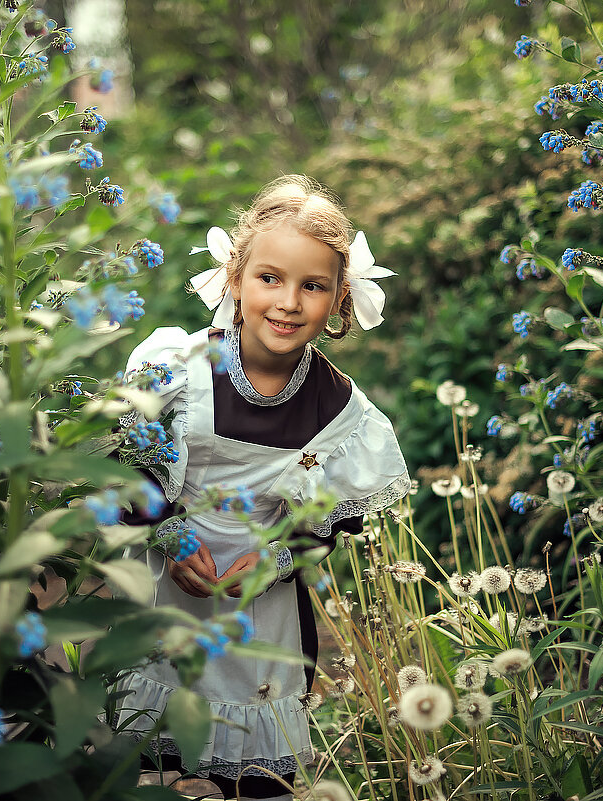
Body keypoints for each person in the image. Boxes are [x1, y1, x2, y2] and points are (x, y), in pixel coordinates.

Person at [114, 175, 410, 801]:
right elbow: (132, 460)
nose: (288, 302)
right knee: (146, 761)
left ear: (339, 300)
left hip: (258, 601)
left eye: (313, 286)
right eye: (269, 278)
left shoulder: (339, 409)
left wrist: (275, 556)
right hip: (172, 576)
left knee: (259, 772)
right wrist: (167, 530)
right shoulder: (183, 365)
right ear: (235, 281)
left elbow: (330, 518)